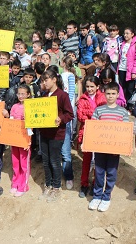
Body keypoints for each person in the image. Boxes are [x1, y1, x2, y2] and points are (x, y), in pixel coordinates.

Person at [88, 82, 129, 212]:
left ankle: (106, 197)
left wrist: (124, 147)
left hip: (114, 149)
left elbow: (125, 132)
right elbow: (93, 128)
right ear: (104, 94)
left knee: (111, 173)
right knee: (99, 172)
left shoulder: (123, 112)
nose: (110, 96)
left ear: (118, 95)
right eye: (108, 94)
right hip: (100, 148)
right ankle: (97, 195)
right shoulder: (99, 110)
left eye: (113, 94)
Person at [38, 70, 74, 202]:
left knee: (54, 161)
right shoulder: (44, 95)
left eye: (46, 79)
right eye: (43, 80)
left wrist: (61, 118)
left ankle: (56, 187)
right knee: (46, 162)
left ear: (54, 79)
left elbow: (70, 114)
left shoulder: (62, 95)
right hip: (44, 133)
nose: (44, 82)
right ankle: (48, 185)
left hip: (56, 134)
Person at [77, 76, 107, 197]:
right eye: (87, 86)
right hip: (86, 132)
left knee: (99, 161)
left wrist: (89, 115)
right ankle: (84, 184)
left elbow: (104, 114)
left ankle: (96, 184)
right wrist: (94, 114)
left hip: (99, 133)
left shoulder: (103, 98)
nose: (89, 89)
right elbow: (80, 116)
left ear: (97, 87)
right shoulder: (82, 99)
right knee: (87, 160)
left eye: (92, 86)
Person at [5, 84, 33, 197]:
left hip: (24, 138)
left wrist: (28, 140)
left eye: (23, 94)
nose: (20, 96)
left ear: (28, 95)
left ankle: (23, 185)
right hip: (14, 139)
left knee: (23, 162)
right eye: (19, 94)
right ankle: (15, 182)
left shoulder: (30, 107)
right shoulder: (14, 107)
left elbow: (31, 126)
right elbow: (11, 122)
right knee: (15, 161)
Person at [60, 56, 77, 189]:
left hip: (67, 111)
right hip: (60, 110)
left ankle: (69, 176)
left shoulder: (70, 75)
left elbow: (71, 92)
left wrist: (68, 107)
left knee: (66, 151)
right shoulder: (60, 75)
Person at [118, 27, 136, 101]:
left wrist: (134, 72)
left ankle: (130, 105)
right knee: (121, 88)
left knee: (130, 89)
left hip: (130, 70)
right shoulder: (122, 43)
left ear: (132, 34)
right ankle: (122, 103)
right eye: (124, 33)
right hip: (121, 68)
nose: (125, 35)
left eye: (127, 33)